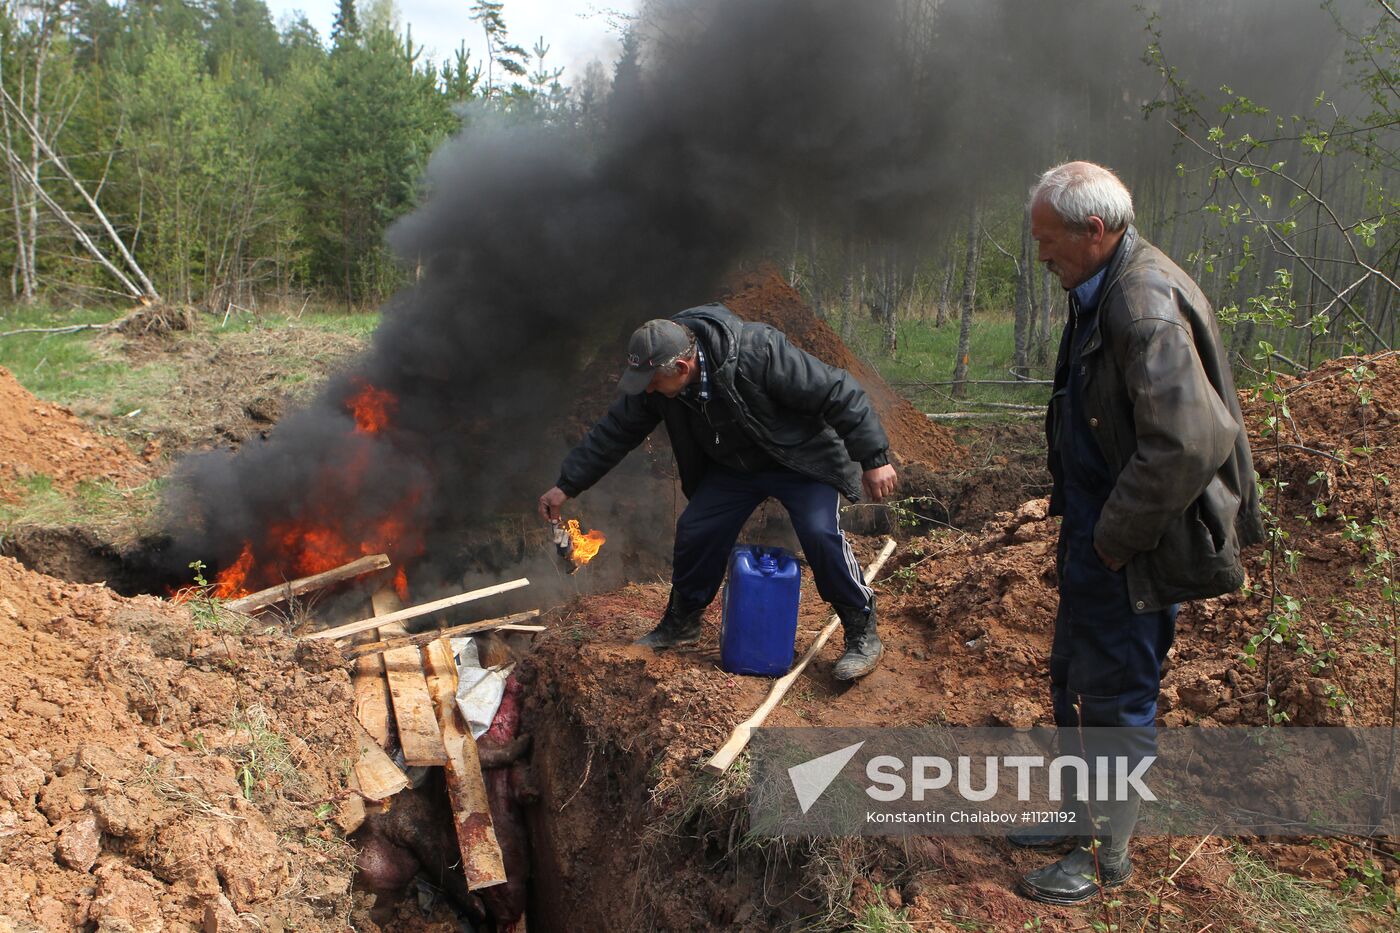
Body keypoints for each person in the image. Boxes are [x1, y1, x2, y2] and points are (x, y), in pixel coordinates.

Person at [1011, 162, 1263, 904]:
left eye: (1048, 240)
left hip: (1134, 541)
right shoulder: (1098, 285)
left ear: (1094, 231)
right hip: (1099, 527)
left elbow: (1187, 442)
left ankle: (1105, 858)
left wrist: (1114, 538)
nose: (1041, 255)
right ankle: (1075, 812)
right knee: (1072, 676)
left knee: (1119, 695)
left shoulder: (1141, 303)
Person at [537, 304, 898, 680]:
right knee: (697, 529)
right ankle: (682, 622)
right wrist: (567, 485)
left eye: (651, 382)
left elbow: (839, 392)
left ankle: (860, 630)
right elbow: (614, 432)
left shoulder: (759, 352)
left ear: (681, 368)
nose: (646, 390)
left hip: (798, 460)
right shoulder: (656, 381)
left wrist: (874, 458)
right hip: (734, 468)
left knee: (819, 534)